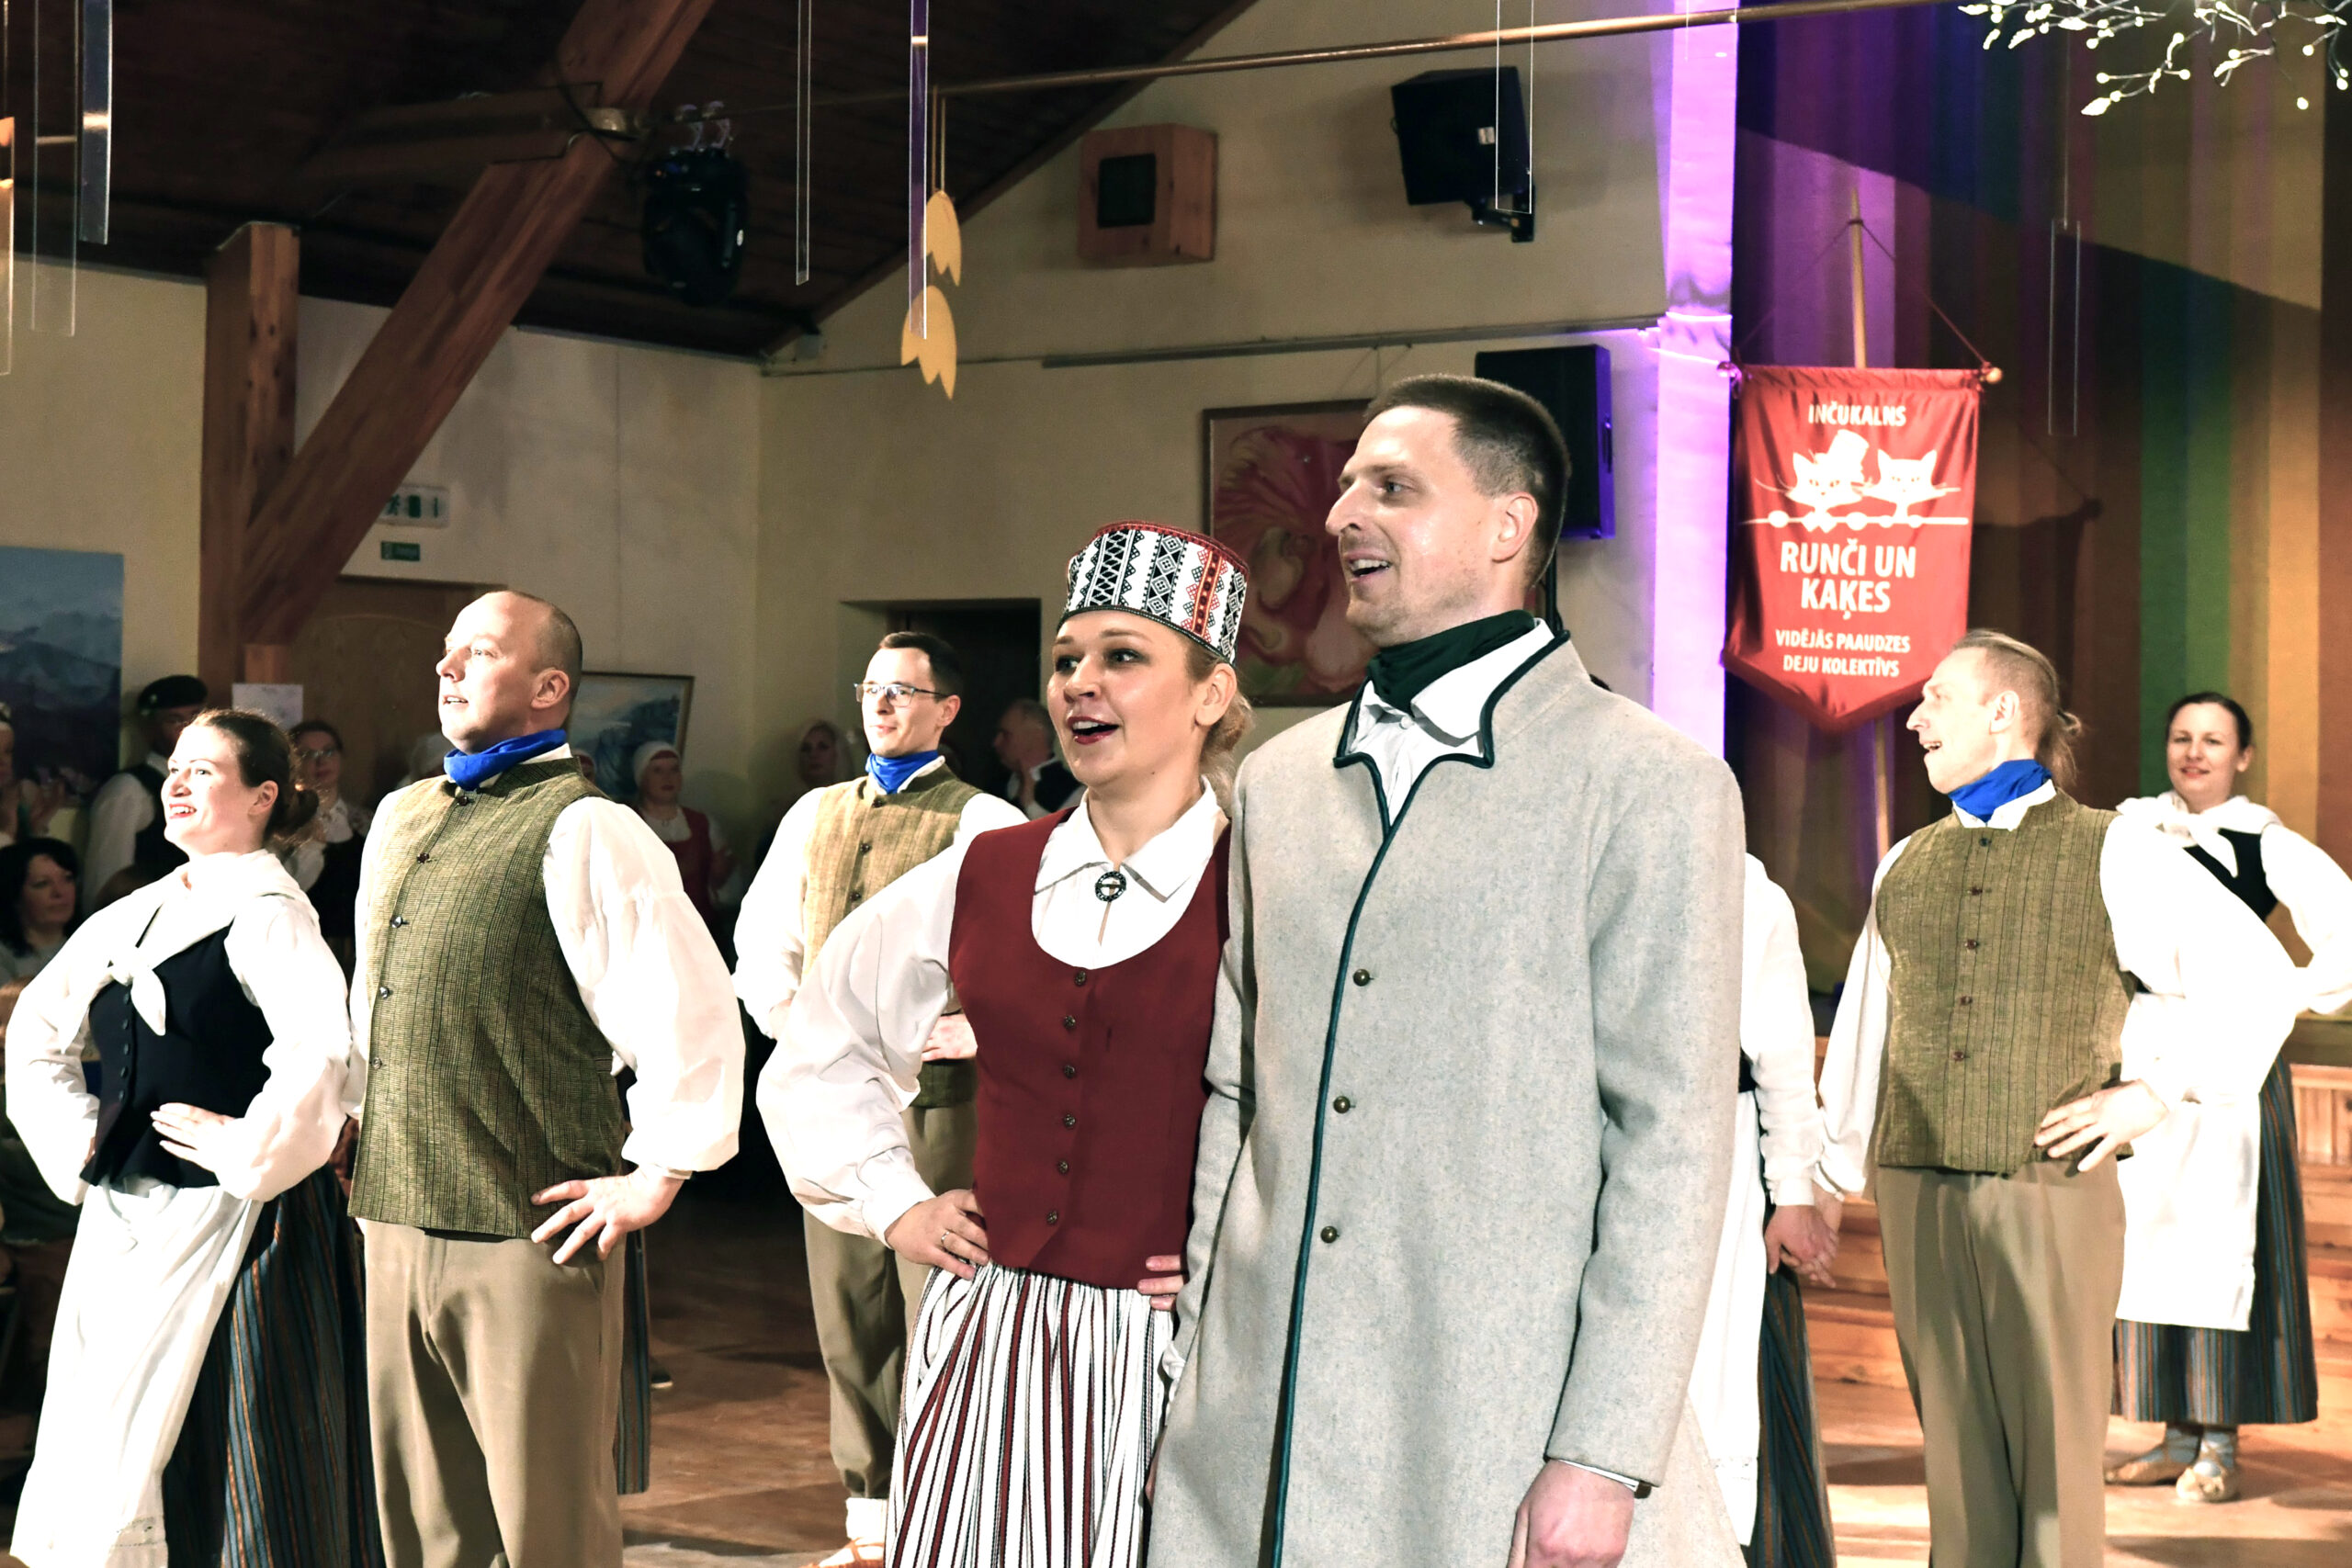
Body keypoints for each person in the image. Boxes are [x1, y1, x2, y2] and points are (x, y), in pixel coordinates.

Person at [1154, 374, 1747, 1568]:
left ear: (1506, 526)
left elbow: (1672, 1144)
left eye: (1393, 488)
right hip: (1259, 1424)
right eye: (1344, 488)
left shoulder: (1650, 784)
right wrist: (1200, 1354)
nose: (1341, 517)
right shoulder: (1277, 781)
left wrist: (1604, 1453)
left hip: (1498, 1426)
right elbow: (1239, 1090)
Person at [769, 521, 1251, 1568]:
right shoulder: (986, 867)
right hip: (988, 1333)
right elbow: (825, 1040)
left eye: (1123, 657)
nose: (1081, 684)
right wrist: (895, 1202)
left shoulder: (1255, 883)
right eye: (1067, 660)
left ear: (1211, 694)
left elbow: (1319, 1112)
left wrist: (1234, 1255)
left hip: (1167, 1349)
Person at [1814, 632, 2300, 1568]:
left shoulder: (2117, 847)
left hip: (2047, 1181)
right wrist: (1828, 1174)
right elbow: (1869, 1027)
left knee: (2053, 1445)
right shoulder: (1905, 860)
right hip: (1917, 1182)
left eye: (1937, 698)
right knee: (1953, 1441)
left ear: (2002, 712)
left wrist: (2153, 1092)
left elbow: (2259, 978)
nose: (1915, 720)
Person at [348, 590, 744, 1568]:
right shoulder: (401, 814)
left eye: (479, 653)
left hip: (527, 1225)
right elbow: (377, 995)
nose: (446, 667)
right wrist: (357, 1118)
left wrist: (659, 1171)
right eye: (447, 650)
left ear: (547, 686)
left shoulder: (591, 828)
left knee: (546, 1523)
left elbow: (688, 1006)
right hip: (393, 1210)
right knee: (423, 1521)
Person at [4, 707, 378, 1563]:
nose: (177, 782)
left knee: (227, 1427)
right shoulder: (134, 912)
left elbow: (321, 1051)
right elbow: (37, 1030)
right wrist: (80, 1141)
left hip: (239, 1220)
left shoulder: (271, 913)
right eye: (175, 766)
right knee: (108, 1414)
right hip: (127, 1212)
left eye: (204, 770)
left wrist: (248, 1147)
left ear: (263, 796)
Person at [733, 631, 1023, 1566]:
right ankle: (871, 1517)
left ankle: (952, 1506)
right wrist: (795, 1028)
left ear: (948, 710)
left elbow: (1029, 952)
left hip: (937, 1103)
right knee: (847, 1309)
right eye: (872, 689)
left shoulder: (982, 819)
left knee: (935, 1300)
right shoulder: (815, 812)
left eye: (904, 691)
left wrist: (980, 1028)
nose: (884, 704)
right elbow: (765, 940)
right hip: (836, 1097)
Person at [2102, 692, 2351, 1502]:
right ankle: (2172, 1434)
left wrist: (2286, 994)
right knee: (2149, 1242)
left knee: (2219, 1243)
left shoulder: (2263, 842)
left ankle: (2219, 1442)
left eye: (2213, 740)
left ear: (2243, 756)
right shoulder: (2131, 830)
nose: (2195, 752)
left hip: (2232, 1055)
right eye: (2182, 737)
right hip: (2145, 1049)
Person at [1690, 856, 1839, 1564]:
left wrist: (1794, 1191)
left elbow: (1783, 1057)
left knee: (1729, 1373)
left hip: (1721, 1156)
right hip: (1599, 1140)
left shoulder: (1748, 889)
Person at [81, 675, 209, 914]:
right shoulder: (128, 790)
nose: (187, 729)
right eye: (174, 720)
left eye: (195, 718)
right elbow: (106, 884)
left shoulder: (213, 785)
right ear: (149, 728)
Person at [283, 719, 372, 972]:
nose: (320, 761)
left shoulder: (365, 821)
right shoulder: (282, 827)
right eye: (307, 754)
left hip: (359, 949)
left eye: (328, 751)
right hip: (303, 948)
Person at [632, 740, 736, 931]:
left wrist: (720, 872)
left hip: (699, 928)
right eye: (657, 771)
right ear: (642, 777)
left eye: (674, 770)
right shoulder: (627, 824)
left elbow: (722, 885)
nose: (667, 778)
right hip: (648, 930)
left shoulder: (704, 823)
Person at [0, 839, 77, 986]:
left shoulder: (93, 945)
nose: (59, 892)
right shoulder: (4, 957)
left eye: (67, 879)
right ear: (14, 894)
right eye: (42, 883)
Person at [991, 697, 1081, 818]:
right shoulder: (998, 783)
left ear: (1036, 736)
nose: (996, 743)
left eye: (1006, 735)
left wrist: (1030, 805)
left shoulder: (1076, 794)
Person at [0, 704, 68, 851]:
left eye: (8, 751)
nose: (2, 761)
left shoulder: (24, 794)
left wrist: (38, 826)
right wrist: (8, 824)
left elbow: (32, 861)